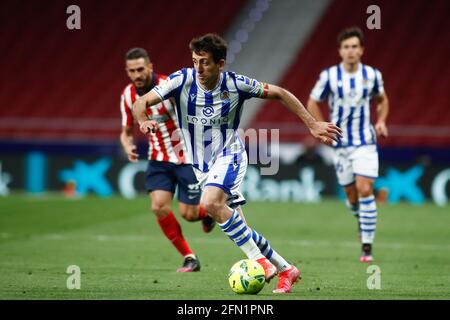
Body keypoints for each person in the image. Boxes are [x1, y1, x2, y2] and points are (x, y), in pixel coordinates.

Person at [133, 34, 341, 293]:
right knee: (240, 227)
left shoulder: (236, 84)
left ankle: (261, 263)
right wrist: (143, 120)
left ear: (220, 64)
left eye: (205, 63)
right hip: (201, 166)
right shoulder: (182, 79)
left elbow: (279, 92)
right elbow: (141, 102)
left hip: (230, 155)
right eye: (195, 61)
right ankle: (287, 269)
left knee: (209, 203)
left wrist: (312, 123)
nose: (198, 68)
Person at [119, 48, 215, 273]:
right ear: (127, 72)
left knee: (189, 214)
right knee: (159, 207)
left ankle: (208, 213)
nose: (137, 74)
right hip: (158, 160)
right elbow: (126, 131)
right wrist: (127, 146)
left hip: (187, 158)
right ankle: (190, 257)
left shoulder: (170, 85)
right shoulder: (127, 95)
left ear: (150, 67)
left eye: (141, 69)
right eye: (132, 71)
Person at [307, 27, 390, 262]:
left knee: (365, 189)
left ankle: (366, 246)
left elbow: (382, 100)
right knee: (352, 197)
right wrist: (320, 125)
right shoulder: (329, 76)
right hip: (340, 144)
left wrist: (382, 121)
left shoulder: (373, 75)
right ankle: (360, 219)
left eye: (355, 46)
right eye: (346, 47)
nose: (351, 51)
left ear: (361, 50)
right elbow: (312, 102)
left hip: (365, 141)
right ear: (340, 51)